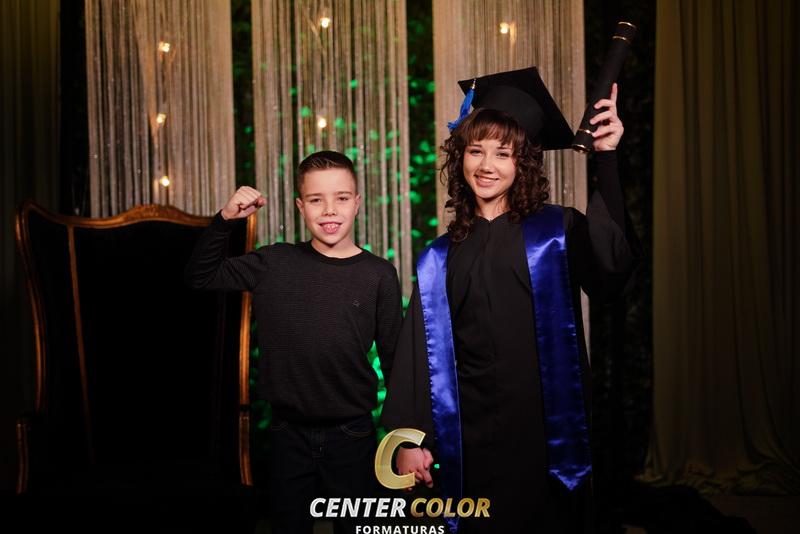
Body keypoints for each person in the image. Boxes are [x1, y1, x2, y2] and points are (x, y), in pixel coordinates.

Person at [381, 67, 640, 533]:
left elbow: (612, 270)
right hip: (467, 435)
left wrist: (606, 158)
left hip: (544, 434)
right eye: (476, 150)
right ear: (460, 157)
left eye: (503, 153)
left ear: (524, 163)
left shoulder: (557, 231)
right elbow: (419, 353)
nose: (487, 165)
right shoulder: (440, 257)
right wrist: (409, 438)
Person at [185, 150, 403, 534]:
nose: (329, 210)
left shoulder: (379, 274)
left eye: (341, 198)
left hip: (352, 434)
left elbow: (395, 360)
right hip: (287, 434)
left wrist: (407, 439)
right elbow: (200, 276)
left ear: (357, 203)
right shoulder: (273, 263)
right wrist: (225, 220)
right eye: (316, 199)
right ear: (301, 207)